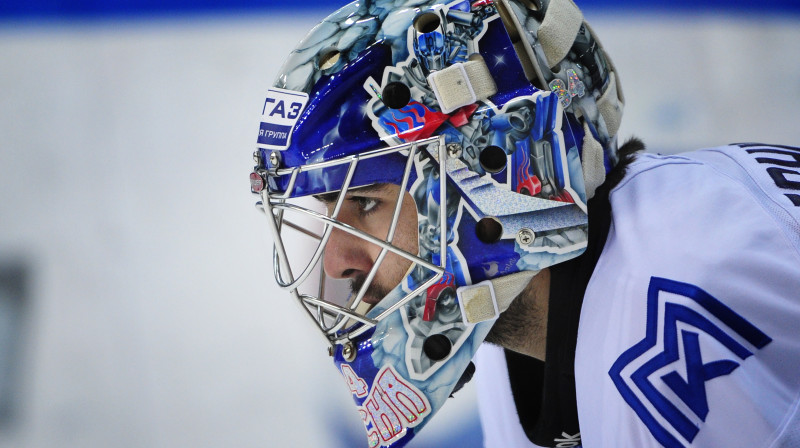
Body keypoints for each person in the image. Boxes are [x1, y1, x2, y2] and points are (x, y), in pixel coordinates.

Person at [249, 0, 800, 446]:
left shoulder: (670, 309)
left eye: (366, 203)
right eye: (328, 215)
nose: (337, 264)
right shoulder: (509, 324)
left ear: (489, 171)